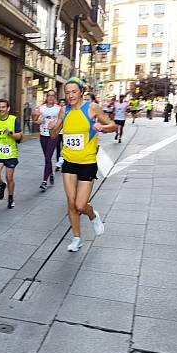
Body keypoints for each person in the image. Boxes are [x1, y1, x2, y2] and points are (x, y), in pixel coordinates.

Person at [49, 77, 117, 252]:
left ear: (81, 92)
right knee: (71, 203)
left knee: (80, 205)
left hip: (87, 162)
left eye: (74, 92)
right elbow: (54, 135)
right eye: (67, 93)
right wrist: (52, 127)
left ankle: (93, 216)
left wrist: (103, 128)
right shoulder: (64, 110)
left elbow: (113, 125)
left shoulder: (92, 108)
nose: (70, 96)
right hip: (69, 161)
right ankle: (77, 238)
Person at [0, 99, 23, 209]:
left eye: (3, 107)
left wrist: (10, 134)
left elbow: (20, 136)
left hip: (11, 153)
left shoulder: (13, 120)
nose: (1, 109)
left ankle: (10, 198)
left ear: (8, 108)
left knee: (9, 177)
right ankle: (2, 185)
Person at [34, 89, 61, 191]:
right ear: (46, 96)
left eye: (52, 95)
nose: (50, 97)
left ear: (55, 97)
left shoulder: (58, 108)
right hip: (43, 135)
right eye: (49, 95)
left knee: (48, 157)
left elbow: (62, 121)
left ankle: (44, 181)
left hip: (53, 135)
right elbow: (35, 120)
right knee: (47, 157)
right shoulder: (41, 108)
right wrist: (38, 121)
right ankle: (51, 173)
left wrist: (56, 126)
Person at [55, 99, 66, 171]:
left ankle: (64, 163)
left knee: (65, 148)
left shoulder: (66, 110)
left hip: (65, 133)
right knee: (58, 149)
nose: (62, 104)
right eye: (61, 103)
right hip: (58, 133)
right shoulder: (56, 111)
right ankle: (58, 164)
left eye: (63, 103)